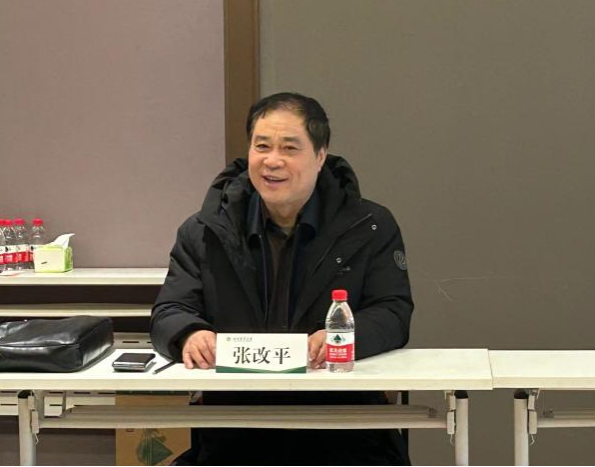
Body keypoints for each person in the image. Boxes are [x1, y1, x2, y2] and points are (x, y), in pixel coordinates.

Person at [150, 92, 414, 466]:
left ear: (320, 156)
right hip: (234, 428)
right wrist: (189, 333)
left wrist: (344, 337)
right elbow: (169, 310)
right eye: (262, 146)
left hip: (342, 426)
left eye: (290, 148)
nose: (272, 161)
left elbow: (393, 311)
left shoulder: (368, 226)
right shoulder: (205, 230)